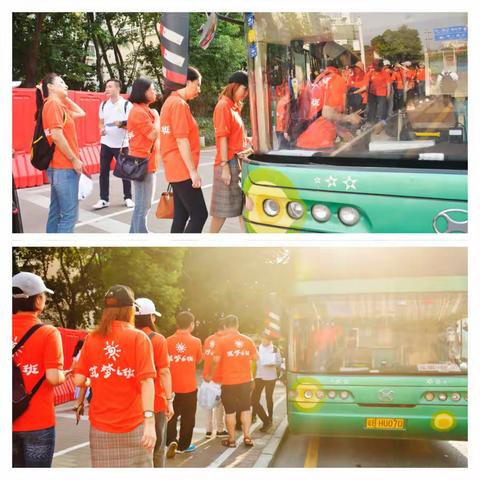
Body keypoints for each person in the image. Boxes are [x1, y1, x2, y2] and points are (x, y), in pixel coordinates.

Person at [73, 285, 156, 467]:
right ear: (130, 310)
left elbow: (78, 379)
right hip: (135, 425)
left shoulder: (91, 338)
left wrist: (97, 378)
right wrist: (149, 422)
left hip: (100, 428)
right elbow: (147, 381)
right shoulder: (139, 338)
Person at [12, 272, 66, 467]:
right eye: (42, 295)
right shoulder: (48, 332)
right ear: (37, 299)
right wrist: (63, 375)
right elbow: (53, 378)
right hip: (37, 422)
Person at [159, 67, 208, 233]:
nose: (199, 89)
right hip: (182, 169)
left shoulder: (169, 102)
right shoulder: (179, 104)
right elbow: (181, 139)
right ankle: (186, 253)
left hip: (173, 168)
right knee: (200, 214)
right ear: (187, 82)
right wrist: (192, 171)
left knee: (181, 215)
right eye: (197, 84)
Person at [38, 73, 85, 233]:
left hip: (58, 168)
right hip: (64, 167)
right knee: (69, 216)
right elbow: (57, 136)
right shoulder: (53, 105)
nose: (65, 85)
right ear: (50, 87)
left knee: (55, 213)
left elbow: (82, 113)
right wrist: (74, 160)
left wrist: (65, 97)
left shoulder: (58, 106)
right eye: (61, 82)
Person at [296, 42, 362, 149]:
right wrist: (349, 118)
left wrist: (340, 131)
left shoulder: (321, 78)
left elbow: (321, 114)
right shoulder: (336, 79)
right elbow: (327, 113)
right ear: (341, 57)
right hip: (320, 143)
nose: (349, 57)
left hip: (307, 139)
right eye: (347, 54)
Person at [206, 314, 257, 448]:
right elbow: (255, 358)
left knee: (230, 411)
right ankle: (247, 437)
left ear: (225, 326)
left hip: (228, 382)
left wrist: (210, 375)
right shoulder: (248, 340)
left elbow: (215, 361)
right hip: (245, 381)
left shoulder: (221, 342)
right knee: (246, 409)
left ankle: (232, 439)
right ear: (237, 325)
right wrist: (252, 375)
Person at [135, 298, 174, 467]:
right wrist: (169, 400)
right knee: (157, 447)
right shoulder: (158, 340)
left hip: (131, 402)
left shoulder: (127, 337)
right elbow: (164, 371)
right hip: (156, 401)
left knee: (136, 448)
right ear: (151, 317)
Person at [209, 71, 249, 233]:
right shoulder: (224, 106)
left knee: (243, 206)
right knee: (222, 210)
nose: (246, 94)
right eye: (244, 89)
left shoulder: (233, 106)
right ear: (235, 86)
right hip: (228, 162)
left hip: (237, 161)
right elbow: (222, 138)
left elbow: (234, 136)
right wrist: (225, 166)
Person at [166, 311, 203, 457]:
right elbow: (198, 360)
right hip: (189, 387)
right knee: (188, 417)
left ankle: (170, 441)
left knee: (171, 416)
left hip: (171, 388)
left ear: (177, 324)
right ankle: (184, 445)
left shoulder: (167, 341)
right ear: (191, 324)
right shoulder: (196, 342)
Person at [93, 79, 134, 210]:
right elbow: (101, 122)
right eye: (106, 86)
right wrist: (101, 129)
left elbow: (132, 124)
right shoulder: (103, 105)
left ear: (117, 88)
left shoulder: (127, 105)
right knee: (103, 172)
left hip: (122, 144)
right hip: (106, 143)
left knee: (124, 171)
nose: (107, 88)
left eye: (110, 86)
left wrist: (121, 124)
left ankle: (128, 197)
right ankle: (104, 199)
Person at [127, 77, 160, 233]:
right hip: (143, 164)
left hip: (144, 162)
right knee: (143, 205)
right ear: (143, 92)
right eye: (152, 89)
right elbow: (153, 134)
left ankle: (134, 234)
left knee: (142, 204)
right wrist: (158, 117)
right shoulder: (139, 112)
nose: (155, 92)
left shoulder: (142, 110)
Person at [202, 317, 229, 438]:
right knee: (219, 405)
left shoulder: (208, 339)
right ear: (224, 327)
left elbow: (205, 357)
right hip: (219, 377)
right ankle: (219, 429)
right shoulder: (224, 341)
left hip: (206, 377)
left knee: (208, 403)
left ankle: (208, 430)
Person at [251, 334, 282, 433]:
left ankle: (270, 418)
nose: (265, 341)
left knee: (269, 397)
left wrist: (273, 363)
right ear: (261, 338)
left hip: (270, 376)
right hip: (259, 376)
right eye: (264, 338)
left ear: (270, 340)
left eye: (268, 339)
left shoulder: (275, 349)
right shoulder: (257, 348)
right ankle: (255, 416)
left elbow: (279, 362)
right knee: (254, 399)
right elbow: (253, 361)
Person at [366, 59, 390, 124]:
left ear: (380, 66)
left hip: (382, 94)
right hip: (372, 94)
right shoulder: (371, 73)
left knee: (382, 109)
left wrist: (388, 94)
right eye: (374, 66)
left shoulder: (385, 73)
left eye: (376, 66)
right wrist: (367, 93)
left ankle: (382, 122)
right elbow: (367, 83)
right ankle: (371, 122)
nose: (375, 67)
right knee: (372, 109)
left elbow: (388, 84)